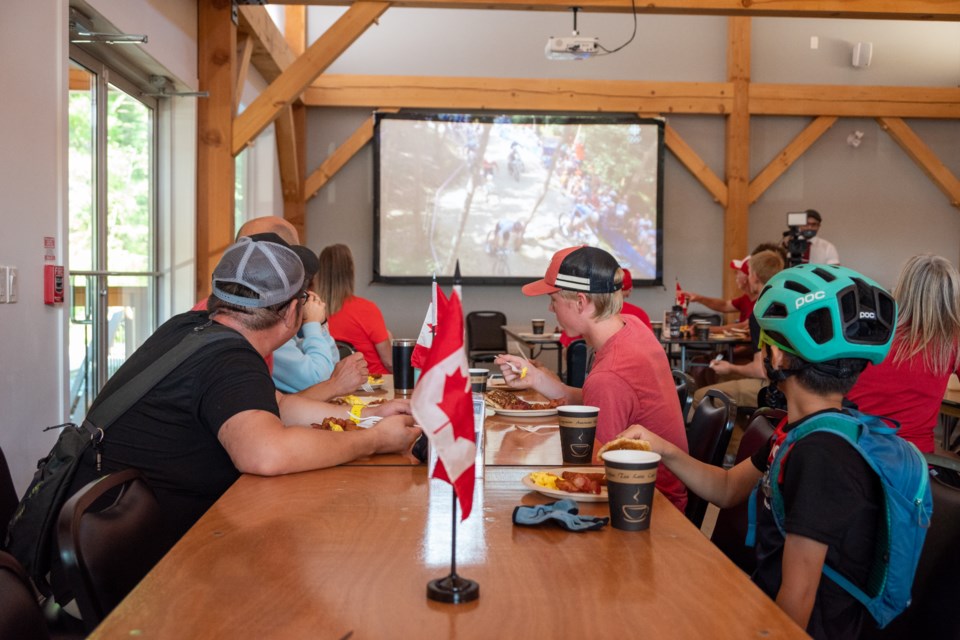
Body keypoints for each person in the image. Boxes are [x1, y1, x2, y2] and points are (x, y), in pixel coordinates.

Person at [50, 235, 420, 602]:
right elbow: (266, 454)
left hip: (96, 544)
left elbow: (278, 406)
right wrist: (373, 440)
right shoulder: (231, 359)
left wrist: (369, 414)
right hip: (126, 581)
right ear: (292, 312)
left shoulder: (190, 329)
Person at [617, 264, 898, 638]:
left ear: (778, 359)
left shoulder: (822, 455)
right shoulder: (801, 431)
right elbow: (729, 488)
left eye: (765, 343)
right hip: (759, 601)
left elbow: (797, 598)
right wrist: (662, 447)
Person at [495, 246, 688, 511]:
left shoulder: (610, 374)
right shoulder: (629, 326)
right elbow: (593, 403)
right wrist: (536, 379)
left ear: (580, 302)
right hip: (655, 491)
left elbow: (596, 473)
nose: (551, 308)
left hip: (648, 504)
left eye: (554, 299)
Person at [847, 254, 960, 452]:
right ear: (950, 296)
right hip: (913, 459)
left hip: (853, 447)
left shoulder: (868, 328)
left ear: (903, 287)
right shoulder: (951, 342)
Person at [691, 250, 785, 409]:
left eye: (748, 273)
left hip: (773, 386)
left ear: (754, 276)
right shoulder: (783, 303)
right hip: (794, 383)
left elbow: (761, 370)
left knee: (701, 398)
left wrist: (730, 368)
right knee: (721, 381)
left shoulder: (760, 311)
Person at [318, 244, 394, 376]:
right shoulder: (366, 309)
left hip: (331, 385)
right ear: (350, 272)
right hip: (372, 386)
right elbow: (389, 362)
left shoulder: (310, 313)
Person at [558, 267, 651, 347]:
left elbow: (569, 350)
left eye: (554, 300)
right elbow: (648, 346)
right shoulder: (639, 315)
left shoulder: (584, 314)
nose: (551, 308)